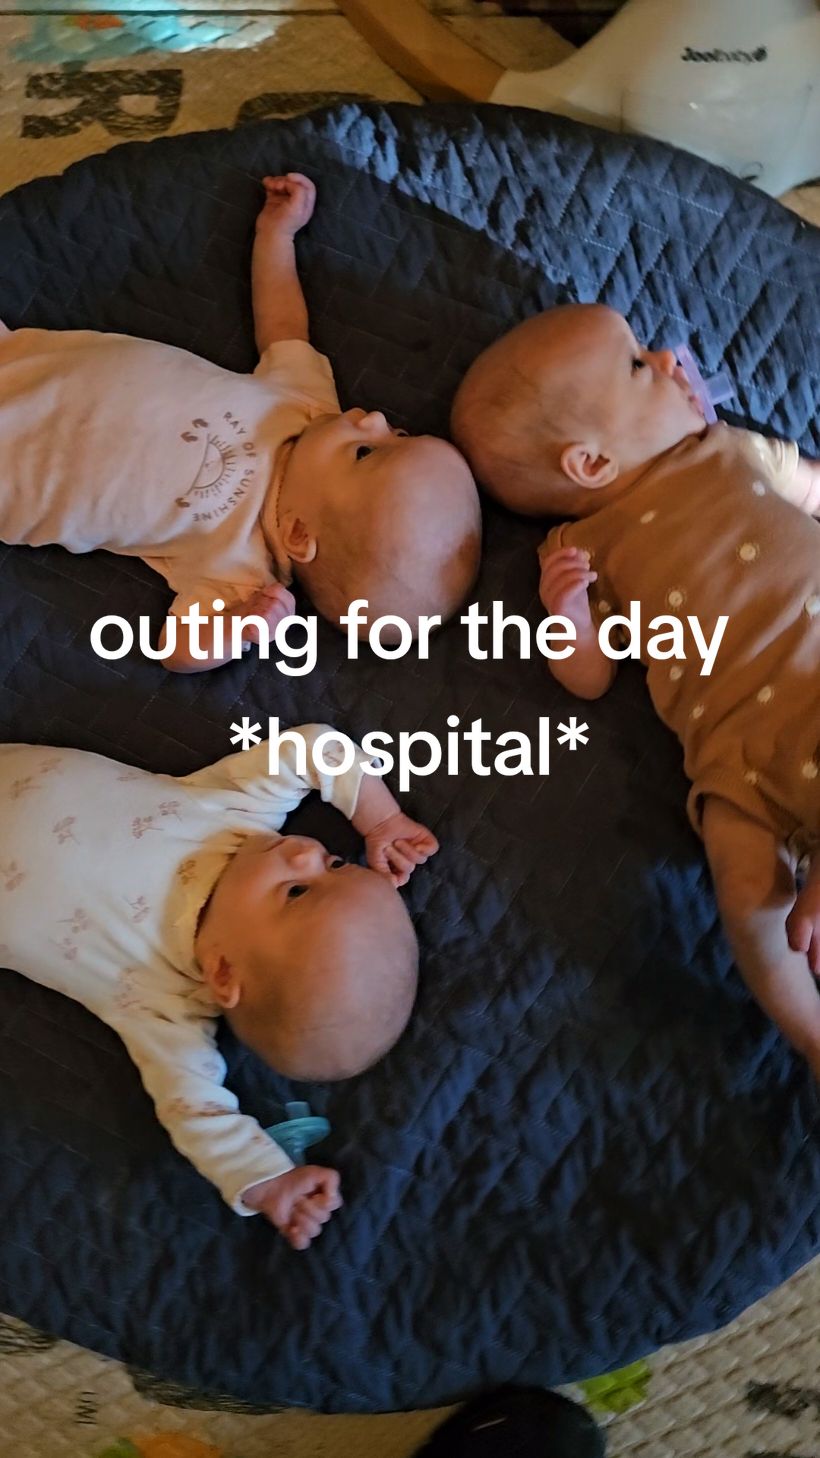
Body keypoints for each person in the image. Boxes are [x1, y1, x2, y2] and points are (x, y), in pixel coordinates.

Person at [452, 303, 820, 1075]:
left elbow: (812, 491)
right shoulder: (579, 553)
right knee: (745, 885)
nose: (669, 359)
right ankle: (810, 1032)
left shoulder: (729, 450)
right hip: (735, 753)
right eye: (636, 364)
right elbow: (589, 677)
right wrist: (567, 617)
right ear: (589, 463)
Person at [0, 174, 481, 671]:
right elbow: (283, 326)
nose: (375, 419)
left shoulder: (243, 570)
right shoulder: (310, 407)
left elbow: (177, 650)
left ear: (298, 534)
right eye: (398, 433)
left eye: (367, 452)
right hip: (22, 359)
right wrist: (277, 236)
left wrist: (236, 631)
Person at [0, 723, 438, 1247]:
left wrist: (266, 1179)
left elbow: (198, 1112)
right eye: (336, 863)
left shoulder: (163, 1006)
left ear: (225, 974)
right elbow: (316, 749)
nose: (306, 852)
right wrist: (381, 818)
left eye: (297, 892)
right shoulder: (238, 816)